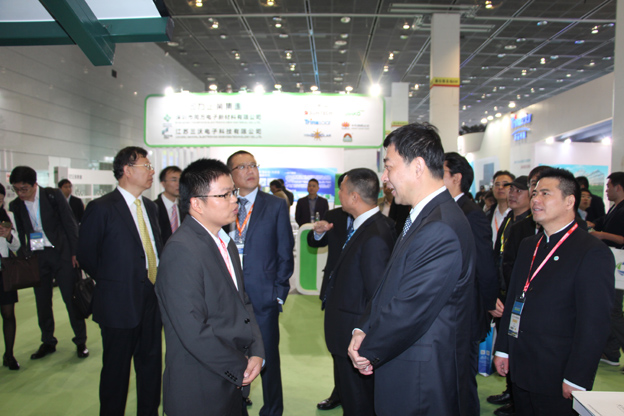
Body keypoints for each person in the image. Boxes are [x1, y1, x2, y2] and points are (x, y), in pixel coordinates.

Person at [347, 122, 476, 416]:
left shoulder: (441, 226)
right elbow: (389, 285)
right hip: (407, 363)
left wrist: (367, 348)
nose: (384, 178)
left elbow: (411, 308)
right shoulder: (424, 217)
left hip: (421, 379)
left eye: (389, 167)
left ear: (417, 167)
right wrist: (362, 328)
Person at [493, 168, 614, 416]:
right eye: (534, 193)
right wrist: (503, 348)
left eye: (545, 194)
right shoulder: (529, 245)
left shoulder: (591, 251)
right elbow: (515, 297)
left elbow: (595, 322)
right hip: (521, 365)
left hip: (558, 372)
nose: (535, 199)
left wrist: (577, 376)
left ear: (569, 201)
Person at [155, 159, 265, 416]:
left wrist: (257, 351)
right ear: (197, 203)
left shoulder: (224, 242)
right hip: (201, 387)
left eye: (233, 192)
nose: (234, 200)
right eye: (224, 195)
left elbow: (242, 301)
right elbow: (193, 330)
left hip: (231, 378)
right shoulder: (182, 251)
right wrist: (239, 365)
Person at [78, 147, 163, 416]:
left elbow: (156, 248)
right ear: (127, 170)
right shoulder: (102, 208)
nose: (151, 172)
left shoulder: (150, 207)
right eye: (146, 167)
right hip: (118, 303)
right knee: (116, 372)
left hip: (152, 300)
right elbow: (87, 256)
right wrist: (117, 281)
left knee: (151, 367)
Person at [317, 168, 395, 416]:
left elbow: (377, 294)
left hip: (356, 335)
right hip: (347, 332)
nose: (338, 194)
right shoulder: (368, 227)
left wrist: (364, 334)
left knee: (358, 403)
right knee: (351, 398)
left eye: (341, 189)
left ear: (354, 197)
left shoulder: (374, 235)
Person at [227, 150, 294, 416]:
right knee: (232, 354)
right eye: (242, 167)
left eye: (253, 165)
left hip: (263, 296)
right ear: (231, 175)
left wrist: (278, 292)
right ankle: (237, 401)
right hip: (229, 295)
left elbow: (284, 252)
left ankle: (273, 409)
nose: (250, 170)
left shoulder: (275, 205)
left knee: (267, 357)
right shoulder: (224, 203)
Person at [9, 166, 87, 361]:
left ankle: (80, 341)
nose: (20, 193)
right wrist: (24, 256)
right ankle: (48, 341)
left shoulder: (52, 196)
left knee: (71, 298)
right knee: (42, 301)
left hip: (62, 253)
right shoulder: (16, 205)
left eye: (24, 189)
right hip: (38, 256)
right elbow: (21, 232)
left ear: (34, 184)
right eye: (16, 189)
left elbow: (70, 223)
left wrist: (75, 252)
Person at [488, 165, 549, 416]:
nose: (512, 194)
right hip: (507, 291)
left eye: (519, 190)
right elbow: (500, 258)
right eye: (509, 189)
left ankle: (516, 395)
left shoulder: (531, 226)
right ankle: (512, 392)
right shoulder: (512, 222)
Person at [443, 152, 499, 416]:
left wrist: (489, 302)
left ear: (456, 178)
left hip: (467, 309)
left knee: (463, 377)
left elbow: (484, 263)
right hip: (451, 309)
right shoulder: (448, 209)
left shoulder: (471, 213)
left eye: (440, 172)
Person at [307, 173, 351, 411]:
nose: (339, 193)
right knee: (336, 346)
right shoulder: (334, 216)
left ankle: (358, 395)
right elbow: (315, 243)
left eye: (343, 188)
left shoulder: (377, 221)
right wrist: (318, 232)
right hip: (334, 291)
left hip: (363, 297)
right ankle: (340, 392)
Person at [588, 172, 624, 367]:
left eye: (609, 186)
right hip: (611, 263)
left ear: (618, 187)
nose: (607, 190)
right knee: (609, 307)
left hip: (620, 266)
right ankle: (611, 352)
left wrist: (602, 235)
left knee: (614, 310)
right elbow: (600, 222)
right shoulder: (615, 208)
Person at [0, 184, 21, 370]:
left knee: (8, 314)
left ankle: (9, 354)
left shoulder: (9, 217)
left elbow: (17, 246)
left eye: (1, 199)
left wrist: (8, 237)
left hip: (5, 272)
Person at [154, 166, 184, 244]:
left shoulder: (186, 207)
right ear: (163, 183)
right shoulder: (153, 207)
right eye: (174, 180)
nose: (178, 184)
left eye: (181, 180)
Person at [487, 171, 515, 246]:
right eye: (497, 184)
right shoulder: (487, 215)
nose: (500, 187)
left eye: (505, 184)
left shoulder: (517, 215)